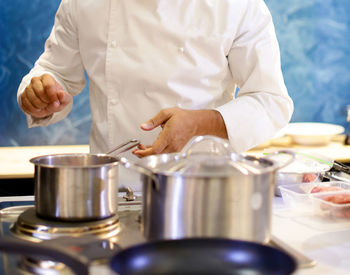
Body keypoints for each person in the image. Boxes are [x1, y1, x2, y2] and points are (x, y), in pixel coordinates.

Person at [17, 0, 293, 159]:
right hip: (112, 186)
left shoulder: (237, 5)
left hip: (202, 186)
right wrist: (41, 93)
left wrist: (199, 123)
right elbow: (57, 72)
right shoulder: (85, 3)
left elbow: (269, 100)